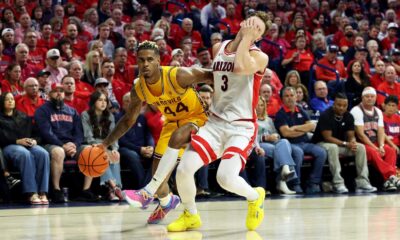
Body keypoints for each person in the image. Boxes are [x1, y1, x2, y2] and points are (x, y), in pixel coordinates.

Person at [167, 11, 270, 232]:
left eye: (258, 30)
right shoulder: (218, 48)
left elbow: (241, 68)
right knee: (184, 169)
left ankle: (255, 196)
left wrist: (246, 39)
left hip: (241, 127)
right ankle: (190, 215)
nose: (253, 30)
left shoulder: (259, 56)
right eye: (251, 24)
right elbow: (216, 78)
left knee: (225, 178)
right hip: (215, 123)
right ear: (242, 23)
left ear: (259, 37)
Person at [99, 40, 212, 224]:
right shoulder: (139, 88)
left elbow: (211, 76)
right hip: (172, 125)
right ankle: (167, 201)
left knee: (165, 174)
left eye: (150, 59)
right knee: (160, 182)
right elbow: (128, 119)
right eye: (141, 60)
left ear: (158, 60)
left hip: (198, 119)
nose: (145, 64)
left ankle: (147, 192)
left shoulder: (178, 75)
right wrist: (105, 143)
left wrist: (223, 102)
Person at [312, 93, 377, 194]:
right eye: (339, 105)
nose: (342, 108)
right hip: (322, 144)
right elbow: (327, 137)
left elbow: (351, 135)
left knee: (360, 147)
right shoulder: (326, 115)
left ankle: (362, 181)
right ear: (334, 104)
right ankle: (338, 183)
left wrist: (353, 142)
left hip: (341, 144)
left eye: (344, 105)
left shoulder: (349, 116)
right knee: (333, 147)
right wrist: (346, 144)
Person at [34, 83, 84, 203]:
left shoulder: (72, 111)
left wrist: (75, 145)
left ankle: (86, 190)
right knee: (59, 152)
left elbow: (79, 133)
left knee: (90, 151)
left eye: (61, 91)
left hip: (71, 145)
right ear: (49, 94)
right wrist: (63, 145)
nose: (59, 94)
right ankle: (56, 189)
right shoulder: (42, 111)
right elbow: (46, 133)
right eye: (55, 91)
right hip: (50, 144)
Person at [275, 86, 327, 194]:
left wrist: (295, 128)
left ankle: (313, 182)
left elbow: (311, 126)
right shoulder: (280, 114)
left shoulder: (301, 110)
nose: (290, 98)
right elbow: (286, 133)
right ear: (283, 99)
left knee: (321, 152)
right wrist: (302, 129)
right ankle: (295, 183)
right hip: (290, 144)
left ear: (296, 97)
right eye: (287, 96)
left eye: (292, 95)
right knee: (298, 153)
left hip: (305, 142)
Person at [0, 92, 50, 204]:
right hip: (9, 146)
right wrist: (17, 141)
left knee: (43, 153)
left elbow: (37, 133)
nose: (10, 101)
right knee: (24, 154)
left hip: (27, 144)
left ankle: (43, 192)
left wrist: (34, 140)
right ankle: (31, 192)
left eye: (12, 99)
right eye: (7, 99)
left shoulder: (23, 116)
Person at [350, 87, 400, 191]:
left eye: (372, 96)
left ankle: (388, 182)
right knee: (374, 152)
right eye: (367, 96)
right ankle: (391, 176)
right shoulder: (356, 110)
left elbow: (381, 131)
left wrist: (381, 145)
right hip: (361, 143)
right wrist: (376, 148)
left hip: (375, 142)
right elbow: (360, 135)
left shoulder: (377, 111)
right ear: (362, 98)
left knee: (390, 150)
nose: (369, 98)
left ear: (376, 98)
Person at [81, 91, 123, 201]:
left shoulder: (110, 116)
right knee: (100, 153)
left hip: (106, 145)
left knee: (115, 155)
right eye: (100, 100)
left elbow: (114, 135)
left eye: (105, 100)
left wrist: (114, 149)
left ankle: (111, 192)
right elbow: (87, 135)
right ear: (94, 102)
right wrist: (97, 145)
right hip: (90, 144)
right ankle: (114, 187)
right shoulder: (85, 115)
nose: (103, 103)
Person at [256, 96, 298, 194]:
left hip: (272, 144)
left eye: (261, 105)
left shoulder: (269, 120)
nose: (259, 107)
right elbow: (249, 137)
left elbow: (275, 134)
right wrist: (264, 138)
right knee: (279, 151)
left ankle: (285, 169)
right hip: (258, 145)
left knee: (284, 142)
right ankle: (282, 180)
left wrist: (276, 136)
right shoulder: (250, 120)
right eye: (257, 105)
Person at [117, 92, 154, 190]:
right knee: (132, 155)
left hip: (142, 149)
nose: (130, 104)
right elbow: (120, 140)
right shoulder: (118, 117)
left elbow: (148, 135)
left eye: (132, 102)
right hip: (125, 149)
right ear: (123, 104)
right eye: (127, 102)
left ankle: (148, 186)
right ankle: (144, 188)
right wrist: (139, 149)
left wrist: (151, 147)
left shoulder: (142, 117)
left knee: (159, 156)